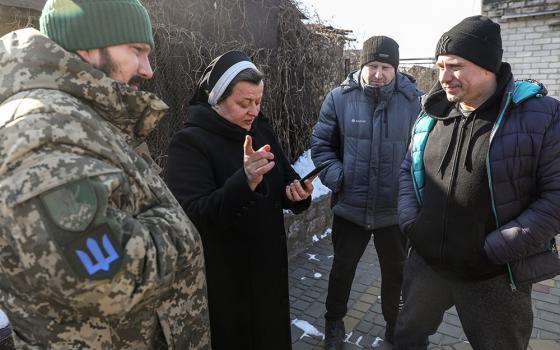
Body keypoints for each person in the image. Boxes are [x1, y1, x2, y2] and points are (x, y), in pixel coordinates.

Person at [0, 0, 210, 348]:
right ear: (87, 45)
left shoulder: (79, 118)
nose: (148, 70)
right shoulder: (40, 128)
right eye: (137, 50)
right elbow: (106, 280)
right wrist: (181, 230)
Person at [395, 15, 560, 350]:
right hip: (427, 266)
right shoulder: (432, 114)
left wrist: (493, 250)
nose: (443, 77)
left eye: (454, 65)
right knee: (406, 339)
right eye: (439, 65)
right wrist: (414, 225)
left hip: (493, 277)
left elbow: (555, 197)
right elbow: (405, 172)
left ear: (488, 66)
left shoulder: (540, 116)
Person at [166, 50, 312, 350]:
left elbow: (284, 176)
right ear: (217, 100)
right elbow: (193, 217)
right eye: (244, 103)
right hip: (226, 281)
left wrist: (296, 193)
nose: (254, 111)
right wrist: (244, 182)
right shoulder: (190, 143)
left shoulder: (260, 129)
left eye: (258, 102)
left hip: (268, 272)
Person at [311, 36, 423, 349]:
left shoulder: (414, 101)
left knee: (396, 273)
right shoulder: (339, 98)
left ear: (395, 69)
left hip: (394, 209)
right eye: (372, 65)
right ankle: (334, 323)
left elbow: (423, 154)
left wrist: (412, 195)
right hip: (351, 206)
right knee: (342, 270)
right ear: (363, 65)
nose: (378, 73)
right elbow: (321, 146)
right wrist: (339, 178)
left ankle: (392, 327)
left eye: (385, 66)